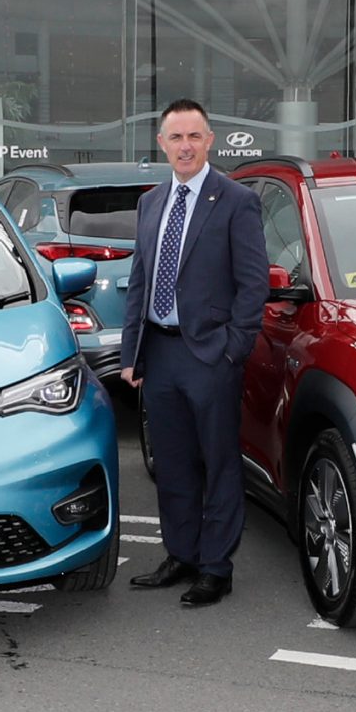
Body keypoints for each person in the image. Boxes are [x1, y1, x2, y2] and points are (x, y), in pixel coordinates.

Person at [119, 99, 268, 607]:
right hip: (159, 355)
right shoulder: (151, 202)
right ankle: (181, 554)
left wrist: (233, 349)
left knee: (219, 464)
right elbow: (139, 281)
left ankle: (215, 567)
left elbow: (253, 287)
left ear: (210, 140)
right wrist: (131, 354)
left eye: (194, 136)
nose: (185, 146)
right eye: (175, 137)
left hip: (210, 356)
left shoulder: (236, 201)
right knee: (174, 465)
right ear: (161, 143)